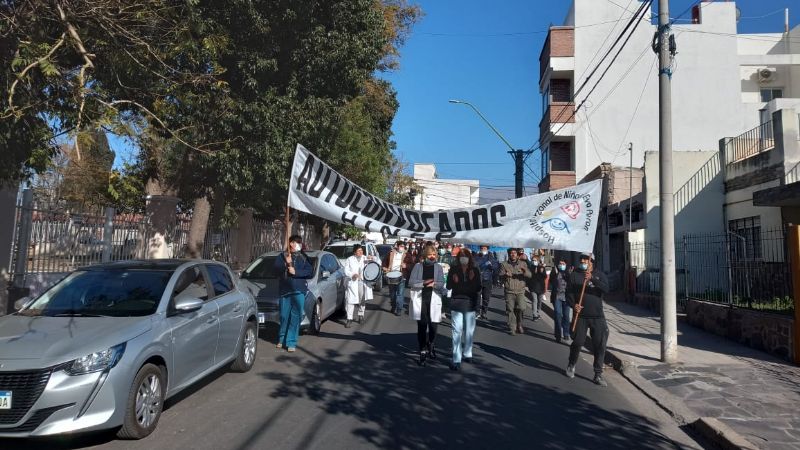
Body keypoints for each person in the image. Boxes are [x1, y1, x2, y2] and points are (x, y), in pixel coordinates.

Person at [565, 253, 610, 386]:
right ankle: (571, 364)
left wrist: (593, 279)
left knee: (600, 345)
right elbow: (569, 293)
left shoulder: (599, 275)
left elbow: (606, 289)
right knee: (578, 342)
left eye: (586, 260)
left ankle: (598, 374)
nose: (583, 262)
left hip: (597, 316)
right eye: (582, 260)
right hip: (581, 316)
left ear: (592, 262)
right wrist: (574, 305)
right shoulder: (574, 275)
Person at [273, 235, 314, 352]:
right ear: (291, 243)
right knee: (284, 316)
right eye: (297, 243)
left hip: (299, 290)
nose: (299, 245)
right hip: (285, 291)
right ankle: (282, 339)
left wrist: (296, 272)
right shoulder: (282, 256)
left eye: (300, 243)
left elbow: (310, 272)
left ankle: (291, 342)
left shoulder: (304, 257)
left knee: (296, 317)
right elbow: (275, 270)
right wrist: (286, 264)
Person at [408, 244, 446, 366]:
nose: (432, 257)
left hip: (434, 299)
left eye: (434, 255)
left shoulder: (439, 267)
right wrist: (423, 283)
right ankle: (423, 350)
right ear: (425, 255)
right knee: (422, 325)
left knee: (433, 326)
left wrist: (433, 285)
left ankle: (431, 344)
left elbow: (441, 283)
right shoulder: (418, 266)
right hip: (421, 299)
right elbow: (411, 282)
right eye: (430, 254)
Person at [446, 248, 481, 371]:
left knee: (469, 331)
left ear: (469, 258)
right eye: (461, 255)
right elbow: (448, 286)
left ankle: (467, 353)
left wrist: (472, 279)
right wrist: (453, 279)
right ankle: (456, 359)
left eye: (466, 255)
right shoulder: (453, 269)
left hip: (470, 304)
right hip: (457, 302)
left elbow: (478, 288)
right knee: (457, 331)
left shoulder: (475, 270)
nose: (463, 257)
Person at [498, 248, 532, 335]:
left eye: (514, 253)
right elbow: (500, 275)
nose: (513, 254)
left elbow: (530, 275)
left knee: (521, 307)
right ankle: (512, 328)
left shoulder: (523, 263)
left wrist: (525, 272)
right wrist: (505, 275)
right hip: (509, 291)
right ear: (509, 254)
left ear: (517, 254)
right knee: (510, 310)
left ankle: (519, 323)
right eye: (511, 253)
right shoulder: (504, 264)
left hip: (520, 291)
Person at [343, 245, 374, 328]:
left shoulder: (365, 258)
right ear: (354, 252)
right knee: (350, 301)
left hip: (362, 282)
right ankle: (349, 319)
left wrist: (372, 258)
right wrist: (352, 274)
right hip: (353, 282)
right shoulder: (350, 259)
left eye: (361, 251)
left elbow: (376, 262)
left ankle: (361, 315)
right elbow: (346, 270)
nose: (361, 252)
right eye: (358, 251)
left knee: (362, 299)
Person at [382, 241, 414, 316]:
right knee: (392, 294)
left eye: (403, 246)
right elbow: (384, 262)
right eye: (401, 246)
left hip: (402, 276)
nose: (402, 248)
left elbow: (412, 265)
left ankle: (399, 309)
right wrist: (385, 268)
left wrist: (406, 266)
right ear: (397, 246)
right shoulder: (390, 253)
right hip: (391, 275)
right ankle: (393, 306)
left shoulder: (407, 255)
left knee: (400, 293)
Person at [550, 258, 572, 344]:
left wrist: (569, 275)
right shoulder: (555, 271)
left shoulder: (568, 273)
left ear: (566, 265)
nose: (561, 265)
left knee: (566, 316)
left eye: (563, 264)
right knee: (557, 315)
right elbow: (551, 281)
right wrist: (555, 274)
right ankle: (558, 334)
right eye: (560, 263)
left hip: (566, 298)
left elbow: (571, 283)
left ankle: (566, 333)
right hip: (557, 297)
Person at [474, 245, 498, 319]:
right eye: (482, 248)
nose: (483, 249)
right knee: (477, 296)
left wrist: (491, 265)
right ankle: (477, 312)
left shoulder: (491, 257)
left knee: (486, 297)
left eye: (484, 248)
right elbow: (474, 265)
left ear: (487, 249)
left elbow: (496, 267)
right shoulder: (476, 256)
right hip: (477, 279)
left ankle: (484, 312)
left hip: (487, 279)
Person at [528, 254, 547, 321]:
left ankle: (538, 312)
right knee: (534, 300)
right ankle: (534, 315)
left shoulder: (541, 267)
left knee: (540, 302)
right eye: (533, 260)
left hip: (541, 287)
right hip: (533, 287)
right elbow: (529, 277)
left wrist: (542, 272)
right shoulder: (530, 267)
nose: (534, 261)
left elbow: (545, 277)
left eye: (535, 260)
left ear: (538, 261)